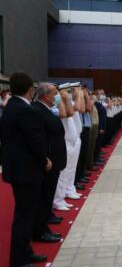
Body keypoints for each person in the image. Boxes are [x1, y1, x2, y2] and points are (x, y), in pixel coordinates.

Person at [1, 72, 51, 267]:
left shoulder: (11, 106)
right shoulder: (25, 110)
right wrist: (44, 159)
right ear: (30, 89)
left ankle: (25, 251)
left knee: (25, 214)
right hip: (27, 170)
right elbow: (35, 140)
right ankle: (19, 259)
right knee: (24, 217)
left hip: (17, 168)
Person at [32, 83, 67, 244]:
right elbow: (40, 138)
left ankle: (43, 226)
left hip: (54, 160)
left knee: (47, 197)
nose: (57, 96)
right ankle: (41, 231)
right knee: (44, 198)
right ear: (46, 95)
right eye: (55, 94)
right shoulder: (37, 111)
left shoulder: (46, 109)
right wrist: (46, 157)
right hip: (48, 162)